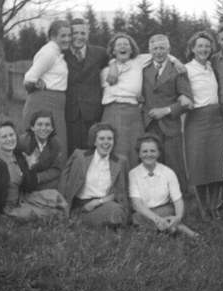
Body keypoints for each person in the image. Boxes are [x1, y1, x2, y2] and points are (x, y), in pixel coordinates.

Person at [100, 33, 186, 164]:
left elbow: (158, 53)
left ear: (131, 49)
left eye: (126, 44)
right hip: (113, 111)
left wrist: (175, 61)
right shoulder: (106, 71)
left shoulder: (138, 62)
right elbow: (109, 86)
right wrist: (112, 64)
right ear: (113, 50)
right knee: (116, 150)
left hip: (134, 114)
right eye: (119, 45)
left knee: (135, 150)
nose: (122, 47)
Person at [0, 111, 68, 220]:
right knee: (52, 212)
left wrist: (34, 173)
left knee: (55, 197)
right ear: (32, 127)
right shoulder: (22, 141)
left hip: (31, 181)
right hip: (17, 187)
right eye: (39, 124)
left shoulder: (55, 143)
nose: (43, 128)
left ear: (52, 128)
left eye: (47, 125)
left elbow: (56, 169)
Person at [141, 34, 193, 193]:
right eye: (155, 48)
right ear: (149, 50)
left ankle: (180, 198)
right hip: (149, 124)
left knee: (174, 164)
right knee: (152, 163)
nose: (158, 52)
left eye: (162, 48)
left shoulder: (178, 69)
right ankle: (155, 197)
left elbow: (187, 102)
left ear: (168, 50)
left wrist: (166, 111)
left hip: (170, 125)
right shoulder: (143, 69)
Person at [183, 31, 223, 219]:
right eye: (199, 46)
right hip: (196, 118)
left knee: (217, 162)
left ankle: (214, 205)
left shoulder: (211, 66)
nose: (203, 49)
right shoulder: (185, 69)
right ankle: (203, 207)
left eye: (207, 46)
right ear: (192, 49)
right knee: (198, 163)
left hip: (216, 118)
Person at [58, 122, 130, 226]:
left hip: (104, 204)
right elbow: (64, 181)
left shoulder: (120, 161)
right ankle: (80, 219)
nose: (106, 142)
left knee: (115, 210)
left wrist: (98, 202)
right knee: (113, 214)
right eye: (102, 139)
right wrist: (63, 205)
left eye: (110, 139)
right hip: (81, 206)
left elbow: (120, 191)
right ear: (94, 142)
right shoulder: (80, 156)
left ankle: (98, 222)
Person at [129, 133, 199, 239]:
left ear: (159, 153)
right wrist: (157, 219)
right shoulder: (133, 174)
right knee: (138, 218)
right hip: (144, 212)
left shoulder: (168, 172)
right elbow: (137, 204)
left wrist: (178, 217)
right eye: (144, 151)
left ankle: (168, 227)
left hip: (165, 210)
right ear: (139, 154)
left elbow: (177, 199)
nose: (149, 154)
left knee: (169, 214)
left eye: (153, 151)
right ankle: (178, 229)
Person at [22, 19, 72, 160]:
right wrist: (37, 84)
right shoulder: (49, 52)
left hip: (56, 103)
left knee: (56, 145)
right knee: (44, 147)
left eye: (69, 35)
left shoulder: (56, 52)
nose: (67, 39)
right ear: (52, 36)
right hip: (43, 103)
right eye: (63, 36)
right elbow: (29, 78)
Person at [64, 17, 109, 157]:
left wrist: (113, 65)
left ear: (88, 35)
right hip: (70, 112)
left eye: (83, 33)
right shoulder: (61, 54)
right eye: (75, 33)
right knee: (73, 153)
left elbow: (120, 58)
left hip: (94, 111)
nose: (79, 36)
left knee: (93, 152)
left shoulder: (100, 53)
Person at [0, 120, 36, 220]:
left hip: (20, 202)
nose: (9, 139)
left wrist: (30, 168)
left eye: (11, 135)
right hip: (5, 209)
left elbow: (30, 187)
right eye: (4, 137)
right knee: (43, 212)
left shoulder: (19, 156)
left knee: (52, 197)